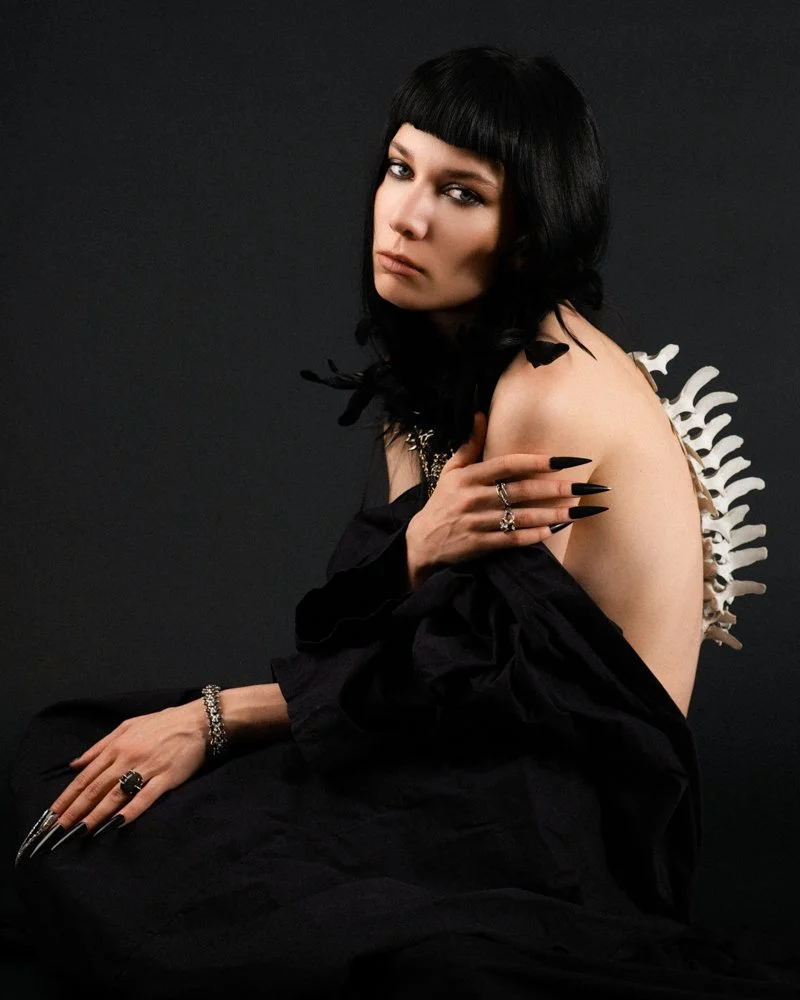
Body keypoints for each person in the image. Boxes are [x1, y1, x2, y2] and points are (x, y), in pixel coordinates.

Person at [10, 45, 796, 998]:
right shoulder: (432, 380)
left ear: (525, 231)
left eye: (462, 193)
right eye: (399, 169)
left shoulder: (551, 392)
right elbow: (390, 637)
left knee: (185, 891)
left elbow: (483, 682)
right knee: (66, 756)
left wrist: (213, 720)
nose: (406, 216)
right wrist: (415, 549)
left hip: (559, 810)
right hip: (444, 742)